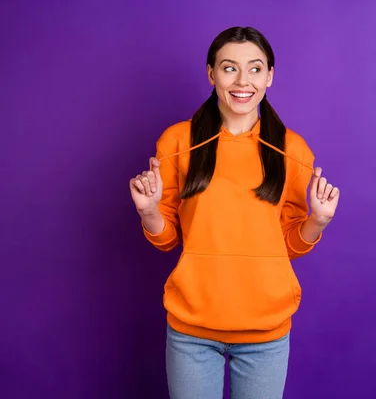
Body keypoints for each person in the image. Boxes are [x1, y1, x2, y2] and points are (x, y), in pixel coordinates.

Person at [129, 26, 340, 399]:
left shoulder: (292, 150)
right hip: (192, 329)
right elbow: (167, 240)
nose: (243, 80)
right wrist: (149, 212)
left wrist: (316, 221)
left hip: (266, 332)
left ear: (270, 76)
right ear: (211, 73)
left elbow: (288, 244)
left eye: (255, 69)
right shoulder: (177, 142)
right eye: (229, 68)